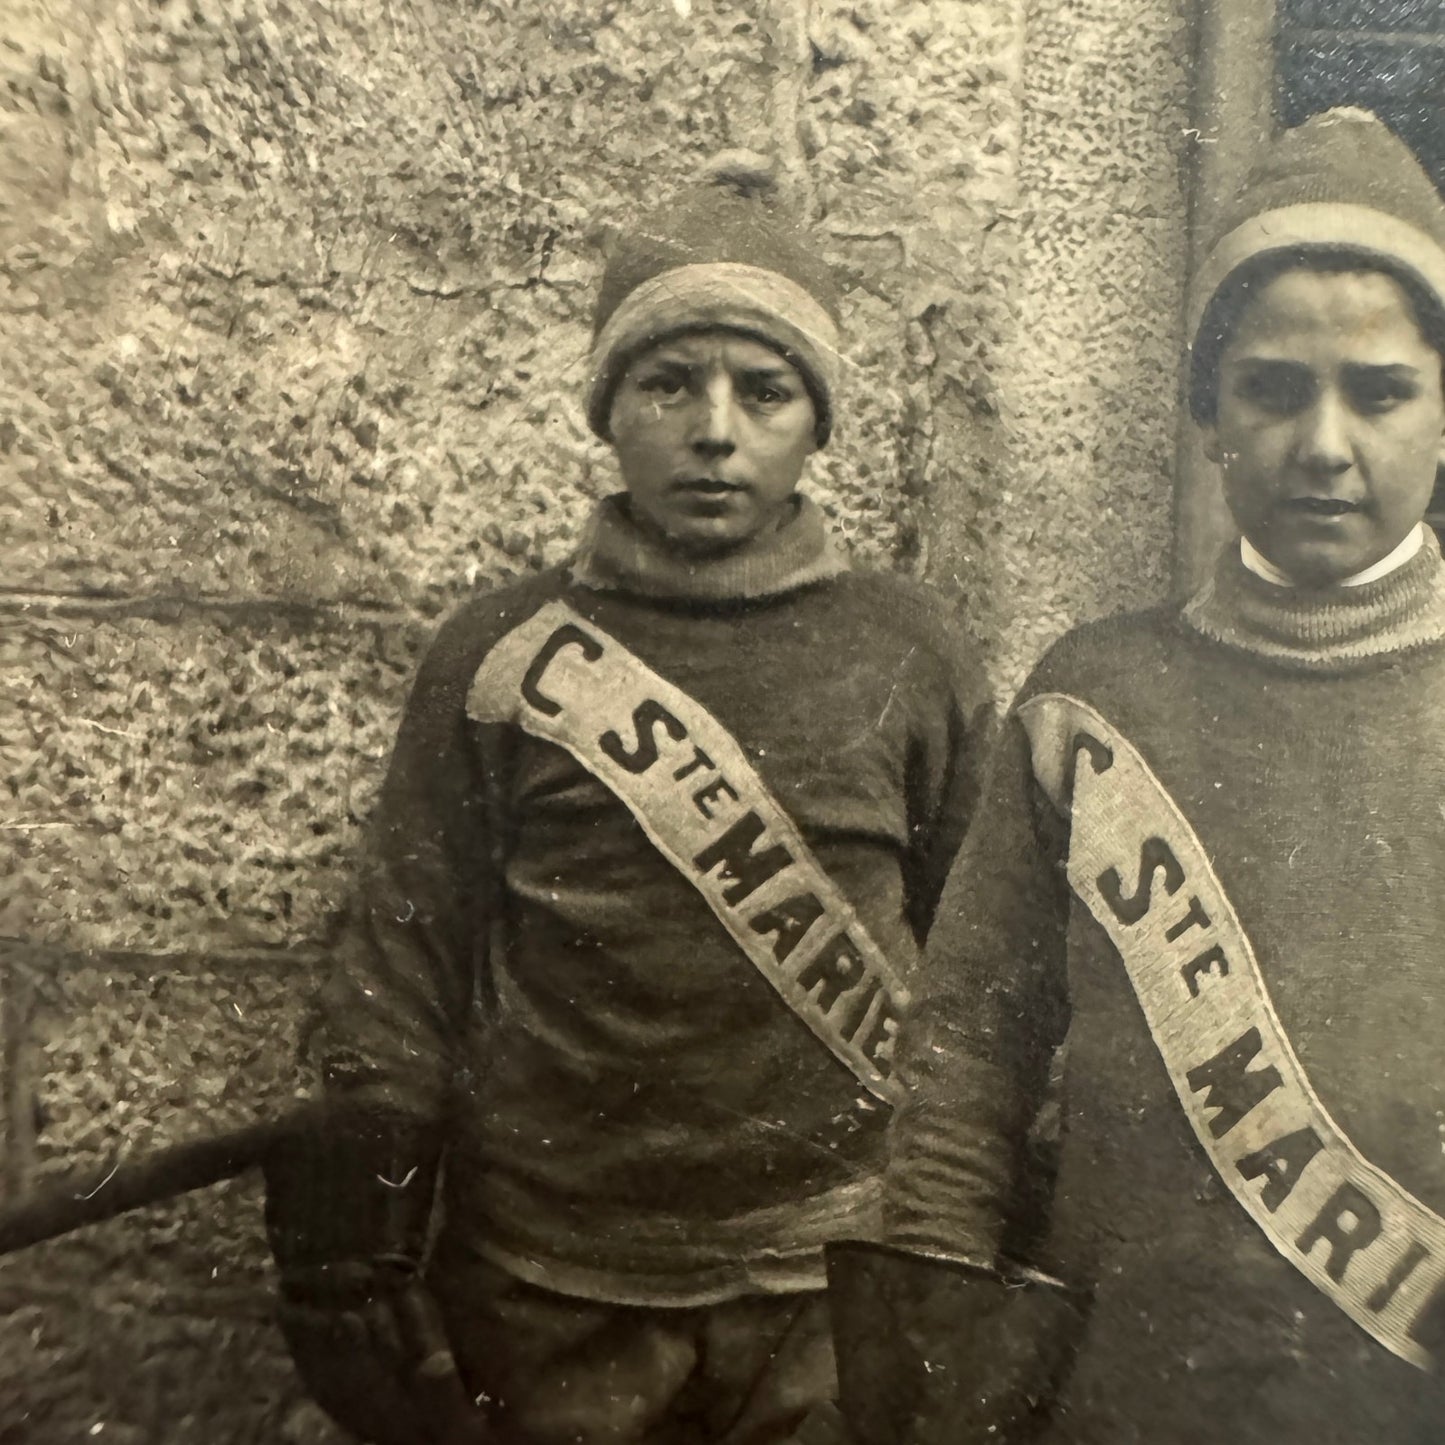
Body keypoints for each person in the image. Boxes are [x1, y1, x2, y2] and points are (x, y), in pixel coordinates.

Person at [263, 159, 990, 1445]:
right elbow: (402, 953)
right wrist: (350, 1241)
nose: (714, 429)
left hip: (823, 1284)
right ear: (607, 411)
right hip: (551, 1278)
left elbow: (986, 971)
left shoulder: (907, 652)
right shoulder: (501, 650)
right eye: (668, 383)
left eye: (763, 391)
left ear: (817, 424)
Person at [827, 109, 1445, 1445]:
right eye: (1274, 389)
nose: (1326, 444)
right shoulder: (1092, 699)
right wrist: (938, 1338)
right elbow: (966, 1060)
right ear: (1209, 414)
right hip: (1136, 1388)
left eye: (1380, 392)